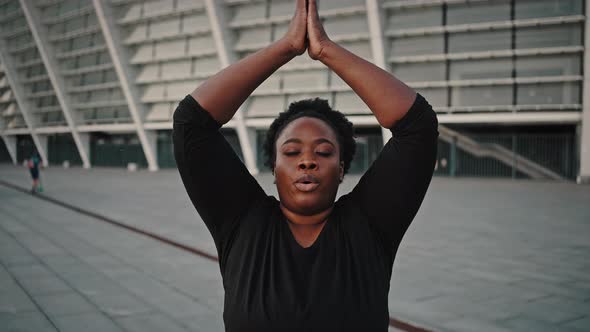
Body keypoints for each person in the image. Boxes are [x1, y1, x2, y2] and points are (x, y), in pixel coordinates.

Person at [173, 0, 438, 330]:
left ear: (341, 169)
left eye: (324, 153)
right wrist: (286, 47)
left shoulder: (369, 226)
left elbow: (417, 126)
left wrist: (325, 49)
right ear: (274, 167)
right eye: (292, 152)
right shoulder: (243, 223)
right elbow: (191, 123)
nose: (308, 161)